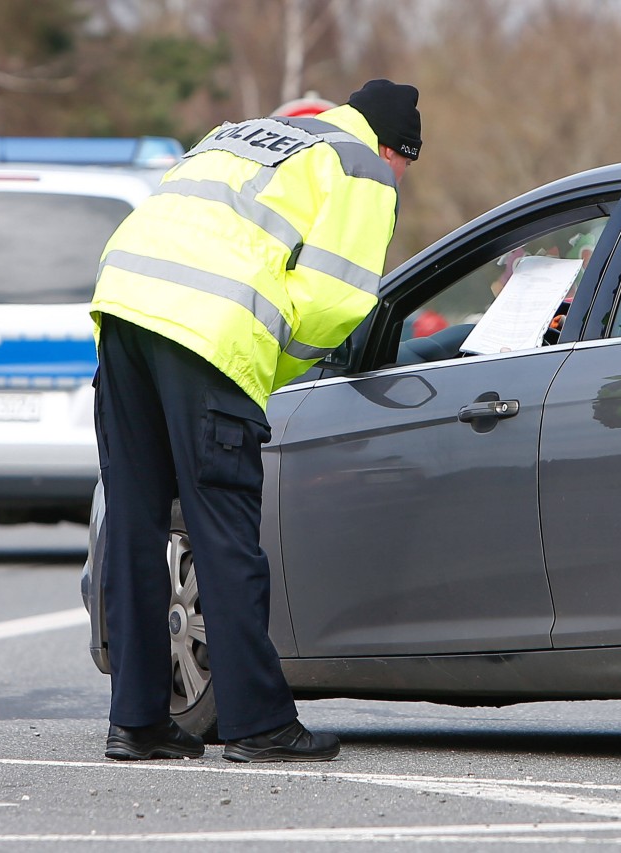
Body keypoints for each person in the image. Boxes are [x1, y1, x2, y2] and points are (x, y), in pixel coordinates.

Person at [90, 79, 422, 763]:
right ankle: (256, 723)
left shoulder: (249, 132)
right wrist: (261, 372)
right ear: (394, 148)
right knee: (223, 528)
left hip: (124, 307)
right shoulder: (361, 166)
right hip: (208, 332)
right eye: (407, 168)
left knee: (134, 521)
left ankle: (139, 719)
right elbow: (334, 299)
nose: (402, 181)